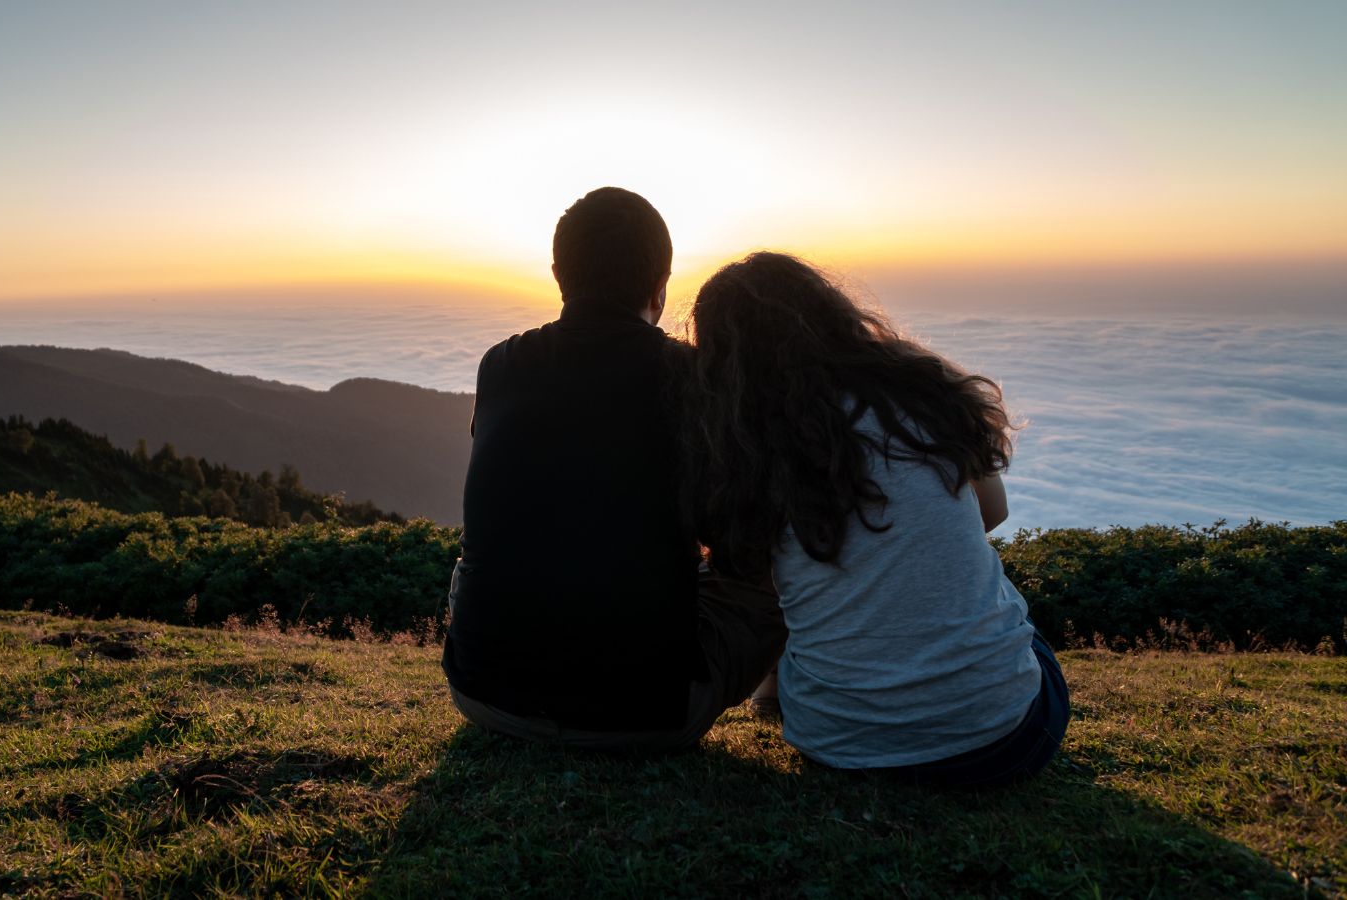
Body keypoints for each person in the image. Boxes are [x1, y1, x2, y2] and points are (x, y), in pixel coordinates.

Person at [684, 251, 1069, 786]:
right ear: (830, 314)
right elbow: (993, 512)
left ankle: (775, 693)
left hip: (841, 748)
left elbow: (747, 572)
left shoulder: (744, 450)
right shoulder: (917, 393)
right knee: (1014, 619)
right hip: (1011, 740)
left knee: (795, 573)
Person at [441, 188, 787, 752]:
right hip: (645, 713)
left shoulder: (500, 364)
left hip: (484, 693)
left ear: (558, 274)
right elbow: (738, 540)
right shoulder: (693, 379)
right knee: (774, 565)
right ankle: (785, 696)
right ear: (662, 284)